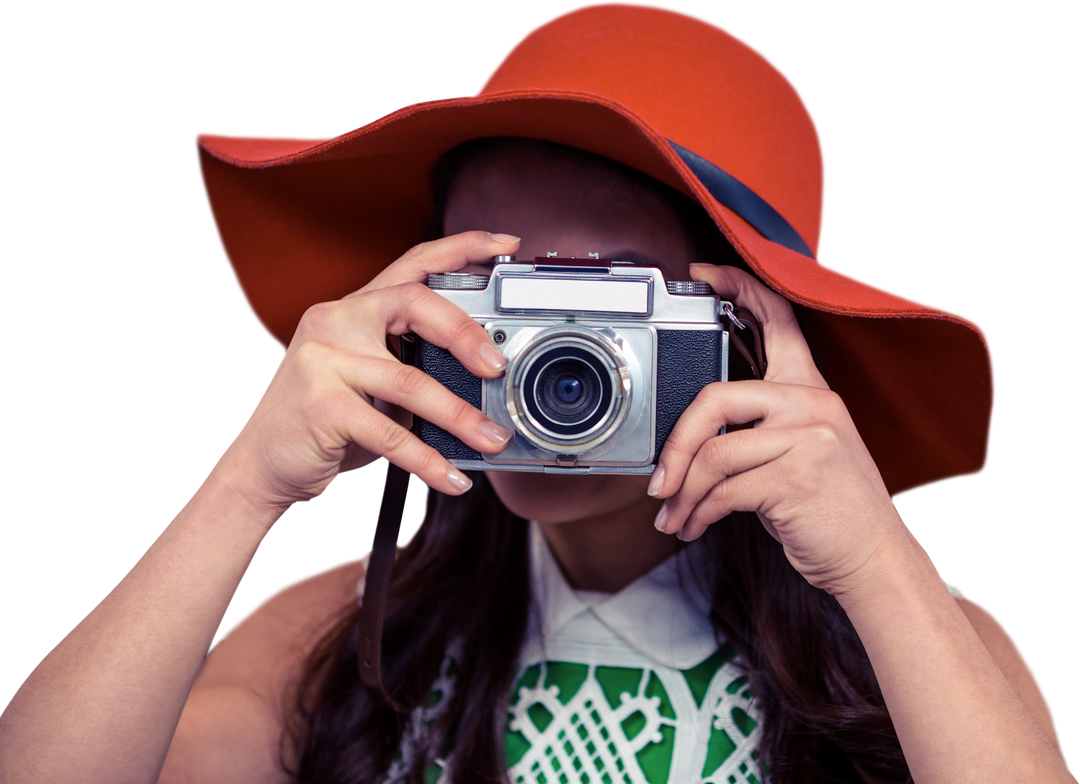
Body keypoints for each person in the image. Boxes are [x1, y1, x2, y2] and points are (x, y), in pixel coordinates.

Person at [0, 4, 1071, 783]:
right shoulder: (364, 624)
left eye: (605, 312)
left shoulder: (921, 641)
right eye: (502, 296)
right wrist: (245, 487)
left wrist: (878, 564)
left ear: (744, 332)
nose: (540, 366)